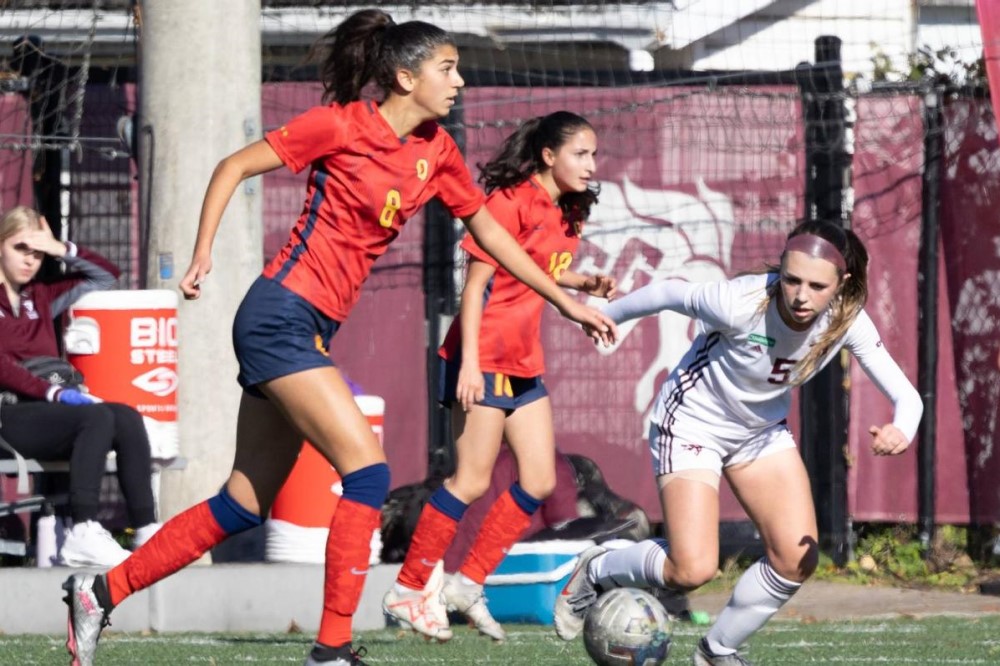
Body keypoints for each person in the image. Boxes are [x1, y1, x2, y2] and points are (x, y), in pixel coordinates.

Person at [61, 10, 615, 666]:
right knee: (369, 472)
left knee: (243, 501)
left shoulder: (436, 150)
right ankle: (332, 650)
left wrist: (566, 300)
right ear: (404, 77)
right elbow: (234, 165)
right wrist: (202, 252)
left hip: (309, 330)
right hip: (277, 316)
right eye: (447, 68)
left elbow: (492, 239)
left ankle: (99, 592)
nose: (459, 81)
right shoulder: (341, 125)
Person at [553, 220, 923, 665]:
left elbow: (906, 396)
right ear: (780, 270)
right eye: (791, 279)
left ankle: (717, 651)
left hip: (759, 432)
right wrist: (606, 316)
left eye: (816, 285)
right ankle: (596, 569)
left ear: (841, 284)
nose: (801, 296)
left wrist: (902, 428)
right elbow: (669, 292)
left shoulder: (848, 318)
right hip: (692, 423)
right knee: (691, 569)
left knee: (794, 558)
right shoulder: (740, 300)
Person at [382, 111, 616, 642]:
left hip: (523, 361)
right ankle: (409, 588)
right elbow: (476, 286)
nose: (591, 165)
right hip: (483, 358)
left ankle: (467, 584)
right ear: (549, 156)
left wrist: (584, 282)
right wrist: (467, 363)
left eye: (594, 154)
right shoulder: (509, 201)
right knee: (469, 481)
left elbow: (537, 267)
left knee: (537, 480)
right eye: (581, 154)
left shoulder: (569, 209)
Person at [0, 205, 160, 567]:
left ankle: (147, 531)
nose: (30, 260)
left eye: (38, 253)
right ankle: (83, 529)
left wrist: (63, 249)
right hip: (8, 414)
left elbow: (107, 276)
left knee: (125, 417)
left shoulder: (40, 297)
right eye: (21, 248)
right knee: (96, 417)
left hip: (47, 409)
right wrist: (54, 393)